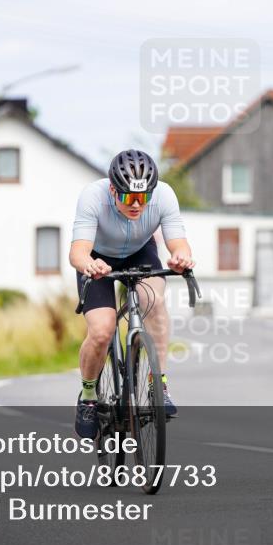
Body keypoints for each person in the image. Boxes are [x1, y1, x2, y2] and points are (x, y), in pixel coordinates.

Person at [69, 149, 195, 439]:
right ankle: (88, 395)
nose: (137, 205)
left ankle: (157, 384)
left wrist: (181, 259)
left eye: (143, 197)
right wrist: (90, 264)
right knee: (102, 331)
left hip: (140, 252)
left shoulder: (164, 195)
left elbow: (180, 244)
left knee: (156, 302)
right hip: (98, 260)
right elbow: (77, 252)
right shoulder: (92, 196)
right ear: (113, 189)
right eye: (128, 197)